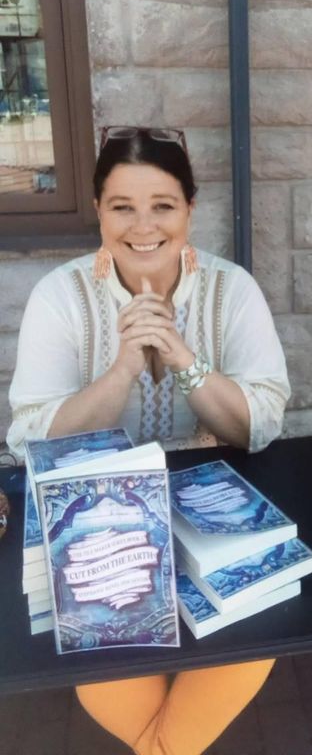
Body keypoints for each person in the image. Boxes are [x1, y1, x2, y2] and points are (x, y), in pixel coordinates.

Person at [7, 125, 290, 755]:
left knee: (251, 626)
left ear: (190, 209)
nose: (143, 226)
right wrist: (123, 369)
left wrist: (183, 356)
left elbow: (261, 424)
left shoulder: (232, 289)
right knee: (113, 662)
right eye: (122, 207)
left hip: (214, 516)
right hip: (97, 532)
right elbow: (28, 439)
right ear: (99, 211)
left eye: (162, 205)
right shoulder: (60, 296)